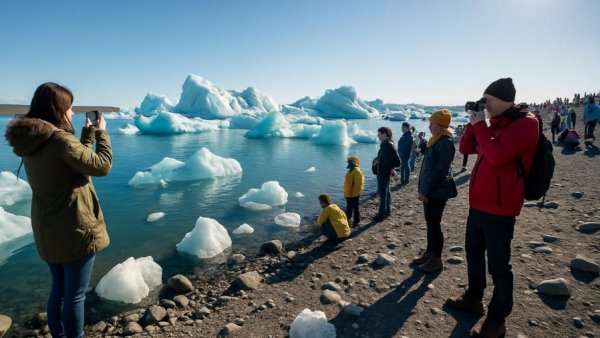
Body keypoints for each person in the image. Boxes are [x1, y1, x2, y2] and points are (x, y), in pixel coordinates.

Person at [5, 83, 112, 338]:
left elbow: (73, 163)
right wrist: (101, 135)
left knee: (60, 290)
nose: (73, 111)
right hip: (74, 227)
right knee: (75, 295)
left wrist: (85, 134)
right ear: (58, 109)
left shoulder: (34, 140)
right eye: (70, 106)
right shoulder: (60, 140)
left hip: (47, 228)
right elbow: (100, 166)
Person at [446, 78, 538, 338]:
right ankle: (474, 299)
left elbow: (497, 156)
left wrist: (480, 125)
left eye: (489, 100)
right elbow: (464, 148)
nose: (485, 104)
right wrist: (476, 125)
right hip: (478, 205)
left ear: (506, 100)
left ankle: (497, 321)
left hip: (501, 209)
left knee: (499, 266)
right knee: (474, 254)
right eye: (484, 99)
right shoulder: (494, 123)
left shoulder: (526, 123)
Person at [414, 109, 456, 273]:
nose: (429, 126)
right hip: (432, 190)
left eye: (432, 123)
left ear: (439, 126)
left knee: (434, 225)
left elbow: (439, 170)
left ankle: (436, 259)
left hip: (436, 192)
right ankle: (430, 253)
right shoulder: (436, 140)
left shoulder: (445, 142)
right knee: (431, 224)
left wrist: (425, 191)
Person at [373, 126, 401, 221]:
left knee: (382, 193)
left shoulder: (389, 145)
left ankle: (381, 214)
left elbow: (397, 162)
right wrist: (378, 160)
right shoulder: (386, 144)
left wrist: (388, 167)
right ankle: (387, 211)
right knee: (386, 192)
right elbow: (387, 158)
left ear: (385, 134)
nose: (378, 136)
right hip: (384, 172)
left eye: (379, 134)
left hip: (383, 173)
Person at [344, 156, 364, 227]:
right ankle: (348, 220)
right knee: (349, 207)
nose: (349, 163)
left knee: (355, 207)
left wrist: (354, 194)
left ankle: (356, 221)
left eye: (350, 162)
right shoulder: (351, 170)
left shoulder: (356, 171)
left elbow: (358, 185)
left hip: (353, 194)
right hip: (349, 194)